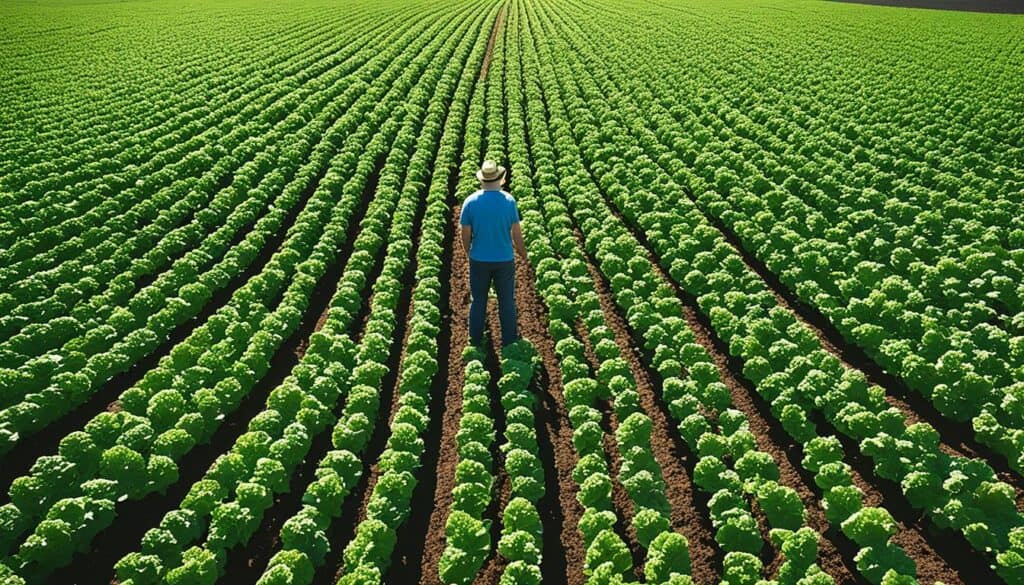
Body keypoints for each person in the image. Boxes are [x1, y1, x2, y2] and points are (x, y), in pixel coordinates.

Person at [460, 160, 528, 348]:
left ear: (482, 180)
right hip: (504, 260)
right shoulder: (508, 201)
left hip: (479, 259)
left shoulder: (470, 202)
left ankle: (475, 339)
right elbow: (516, 234)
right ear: (501, 179)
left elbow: (465, 234)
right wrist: (524, 255)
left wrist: (469, 253)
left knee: (478, 300)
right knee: (506, 300)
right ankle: (509, 340)